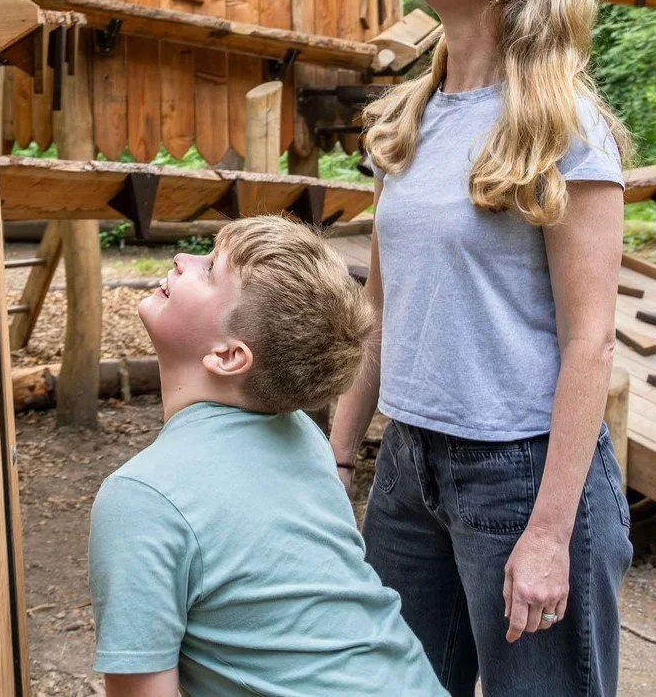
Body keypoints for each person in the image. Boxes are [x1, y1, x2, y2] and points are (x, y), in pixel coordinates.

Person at [331, 0, 633, 697]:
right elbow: (382, 313)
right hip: (408, 464)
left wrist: (548, 533)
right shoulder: (410, 119)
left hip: (522, 470)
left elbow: (590, 341)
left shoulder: (564, 127)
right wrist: (339, 449)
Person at [89, 215, 448, 697]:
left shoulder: (142, 498)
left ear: (229, 356)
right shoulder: (302, 436)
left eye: (210, 267)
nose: (183, 258)